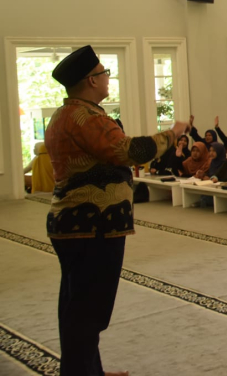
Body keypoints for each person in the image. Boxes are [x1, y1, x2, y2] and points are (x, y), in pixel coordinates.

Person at [45, 45, 188, 376]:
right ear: (91, 81)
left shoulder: (67, 114)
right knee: (87, 310)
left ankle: (88, 370)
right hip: (91, 226)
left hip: (76, 223)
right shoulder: (86, 117)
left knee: (77, 304)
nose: (108, 78)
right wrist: (173, 133)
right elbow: (129, 151)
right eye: (104, 73)